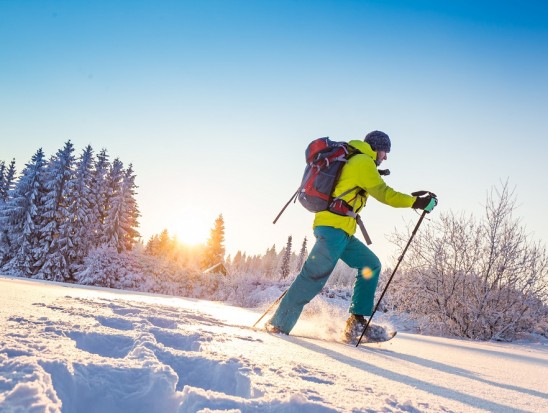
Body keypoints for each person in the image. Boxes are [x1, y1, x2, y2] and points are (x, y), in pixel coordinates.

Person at [266, 130, 437, 341]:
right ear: (376, 147)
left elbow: (373, 187)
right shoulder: (362, 162)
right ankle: (278, 326)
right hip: (333, 229)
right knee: (312, 278)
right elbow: (385, 194)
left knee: (370, 264)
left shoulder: (360, 162)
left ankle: (355, 324)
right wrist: (416, 202)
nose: (386, 157)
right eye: (385, 151)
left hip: (342, 230)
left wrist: (409, 198)